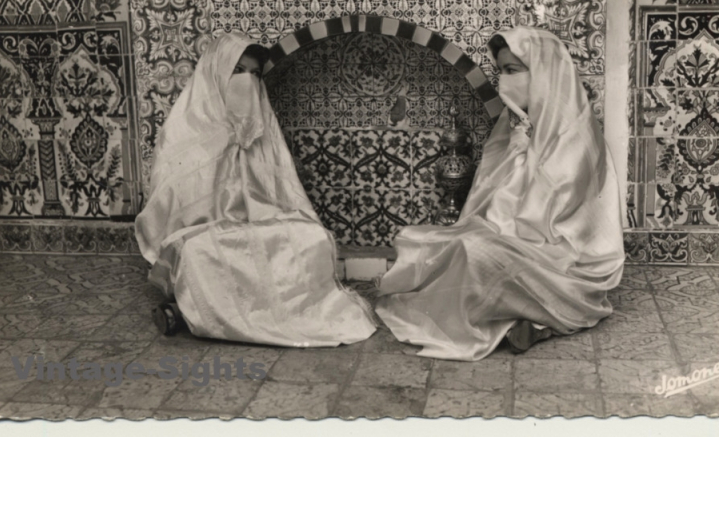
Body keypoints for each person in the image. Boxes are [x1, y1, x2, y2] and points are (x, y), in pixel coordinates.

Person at [375, 27, 625, 361]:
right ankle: (522, 318)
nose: (504, 82)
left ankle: (536, 315)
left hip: (560, 262)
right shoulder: (519, 126)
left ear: (544, 74)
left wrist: (524, 158)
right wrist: (519, 150)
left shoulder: (575, 137)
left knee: (475, 251)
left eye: (512, 71)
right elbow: (488, 201)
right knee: (427, 240)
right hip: (511, 239)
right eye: (500, 72)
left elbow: (544, 223)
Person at [135, 30, 376, 347]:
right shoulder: (183, 131)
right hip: (201, 234)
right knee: (199, 254)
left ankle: (200, 312)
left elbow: (281, 194)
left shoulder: (261, 128)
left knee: (312, 237)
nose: (247, 82)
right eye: (238, 71)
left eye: (254, 74)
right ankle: (198, 309)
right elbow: (172, 218)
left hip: (253, 224)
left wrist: (261, 215)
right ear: (216, 73)